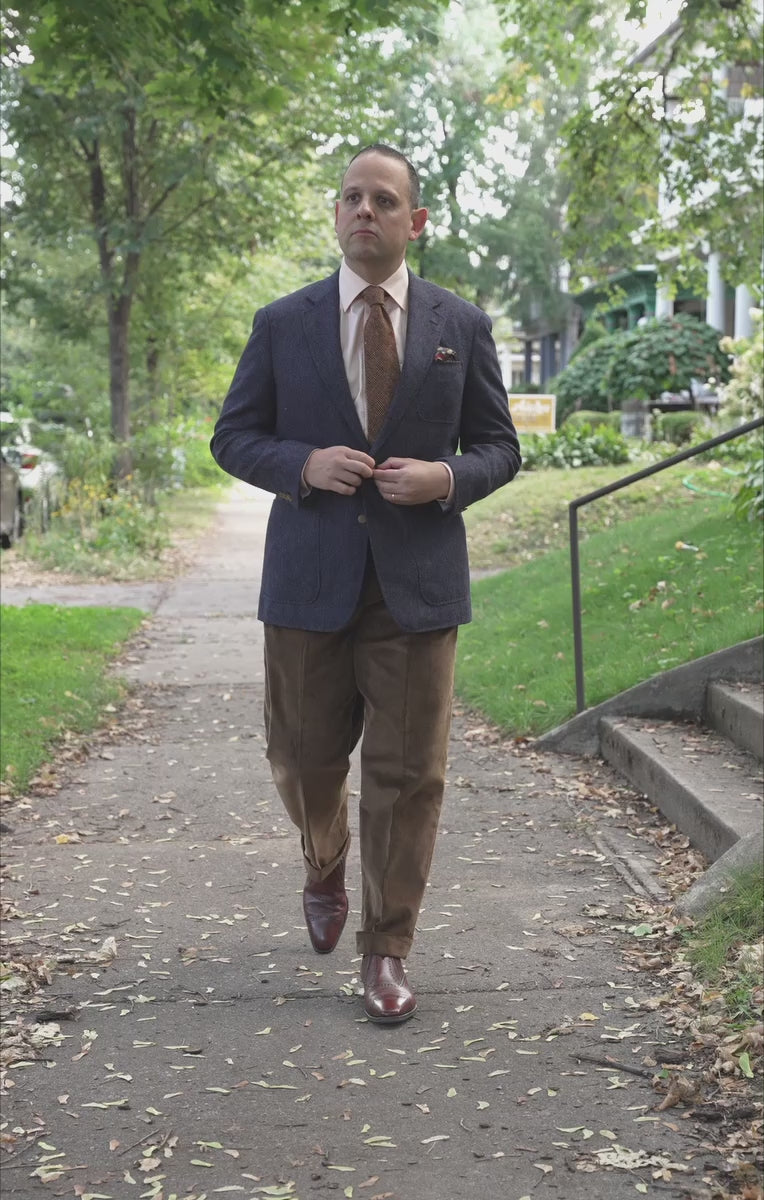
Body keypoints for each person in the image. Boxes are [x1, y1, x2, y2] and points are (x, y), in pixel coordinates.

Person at [211, 144, 521, 1024]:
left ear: (414, 221)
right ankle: (323, 856)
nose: (364, 211)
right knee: (302, 758)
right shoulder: (284, 322)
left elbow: (502, 446)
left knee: (408, 773)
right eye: (351, 197)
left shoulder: (460, 323)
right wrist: (301, 462)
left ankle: (387, 949)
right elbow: (233, 438)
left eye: (384, 200)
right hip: (309, 579)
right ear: (335, 213)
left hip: (416, 586)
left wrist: (448, 480)